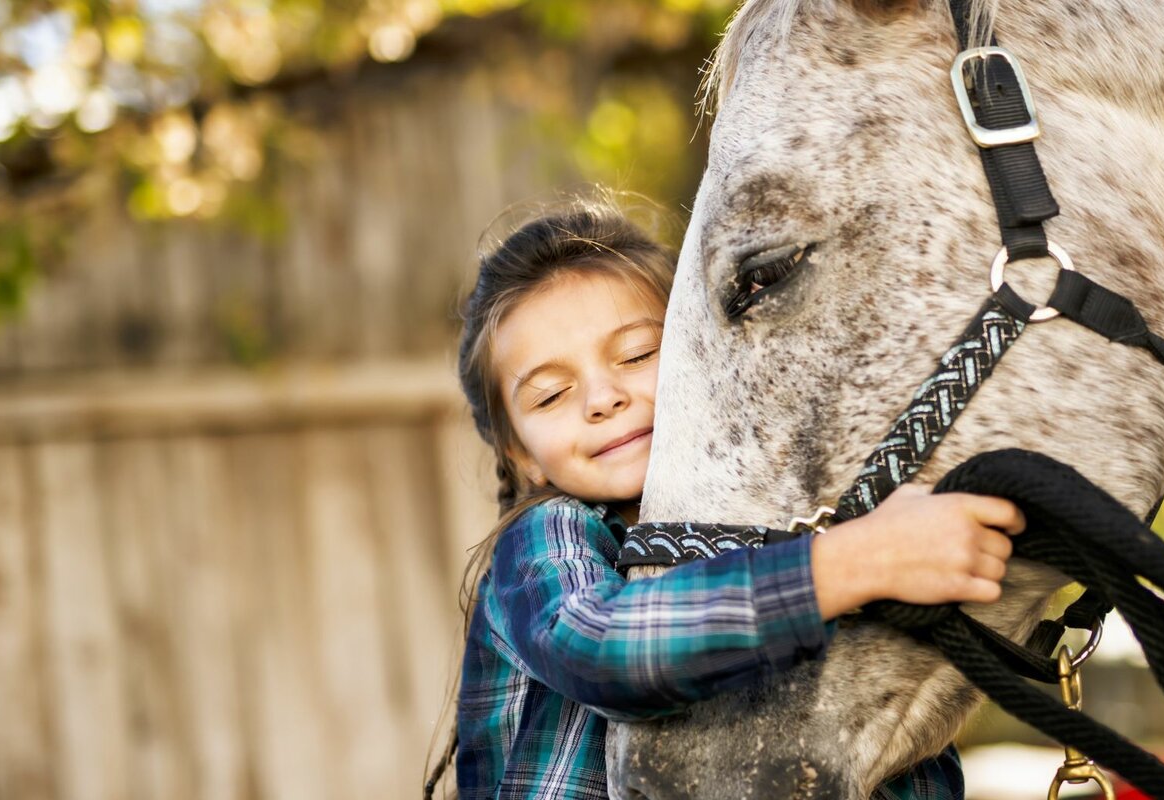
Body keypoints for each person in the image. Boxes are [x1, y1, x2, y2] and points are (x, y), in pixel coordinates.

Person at [430, 198, 1025, 799]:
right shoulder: (551, 534)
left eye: (637, 354)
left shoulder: (787, 512)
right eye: (552, 394)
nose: (602, 398)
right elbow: (597, 647)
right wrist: (856, 563)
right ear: (522, 457)